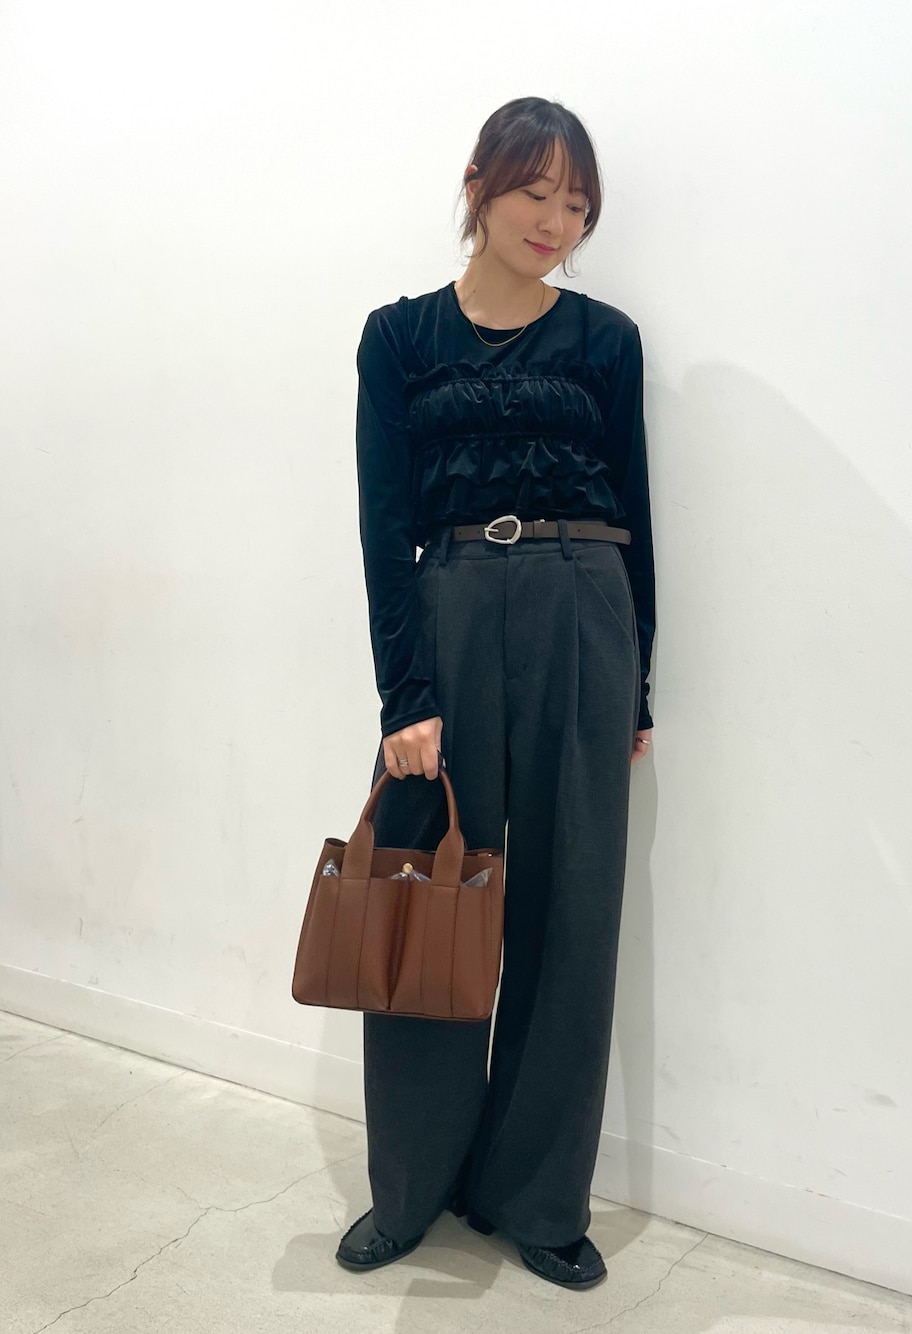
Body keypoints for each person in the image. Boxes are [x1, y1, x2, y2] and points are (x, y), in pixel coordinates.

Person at [335, 96, 656, 1290]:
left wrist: (637, 680)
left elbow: (637, 513)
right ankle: (412, 1187)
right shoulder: (399, 337)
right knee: (428, 895)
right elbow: (382, 523)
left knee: (571, 908)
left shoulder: (606, 341)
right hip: (452, 608)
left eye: (577, 203)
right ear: (479, 180)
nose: (556, 220)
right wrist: (403, 695)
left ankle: (537, 1195)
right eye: (536, 191)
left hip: (584, 605)